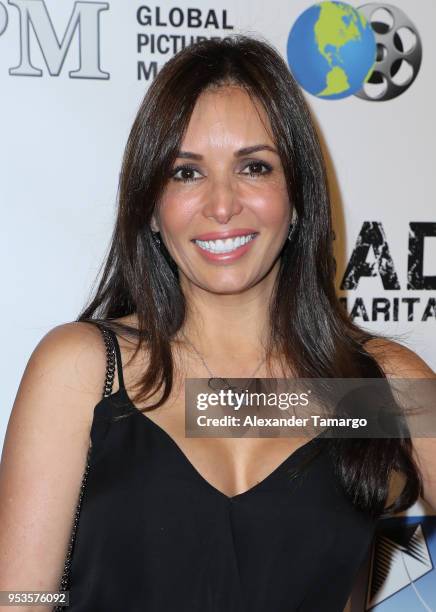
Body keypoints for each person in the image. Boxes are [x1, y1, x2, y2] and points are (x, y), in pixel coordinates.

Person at [0, 35, 435, 612]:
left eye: (254, 167)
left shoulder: (371, 386)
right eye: (186, 173)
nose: (222, 204)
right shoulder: (85, 370)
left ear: (299, 195)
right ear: (151, 206)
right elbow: (21, 597)